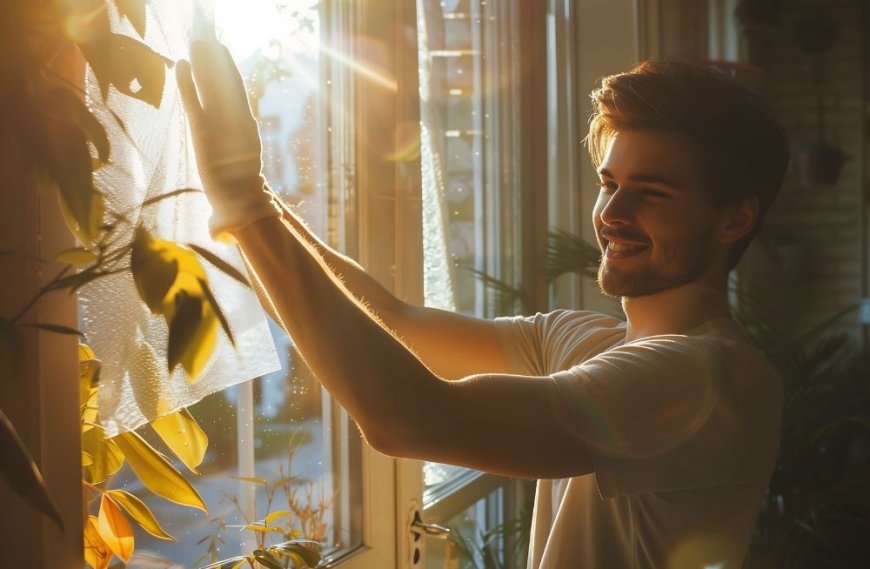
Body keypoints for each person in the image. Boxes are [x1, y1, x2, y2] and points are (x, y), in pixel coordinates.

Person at [176, 41, 788, 568]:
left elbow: (409, 419)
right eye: (609, 184)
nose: (611, 215)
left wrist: (249, 206)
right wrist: (252, 199)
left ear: (734, 219)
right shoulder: (585, 342)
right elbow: (391, 322)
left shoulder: (705, 378)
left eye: (651, 193)